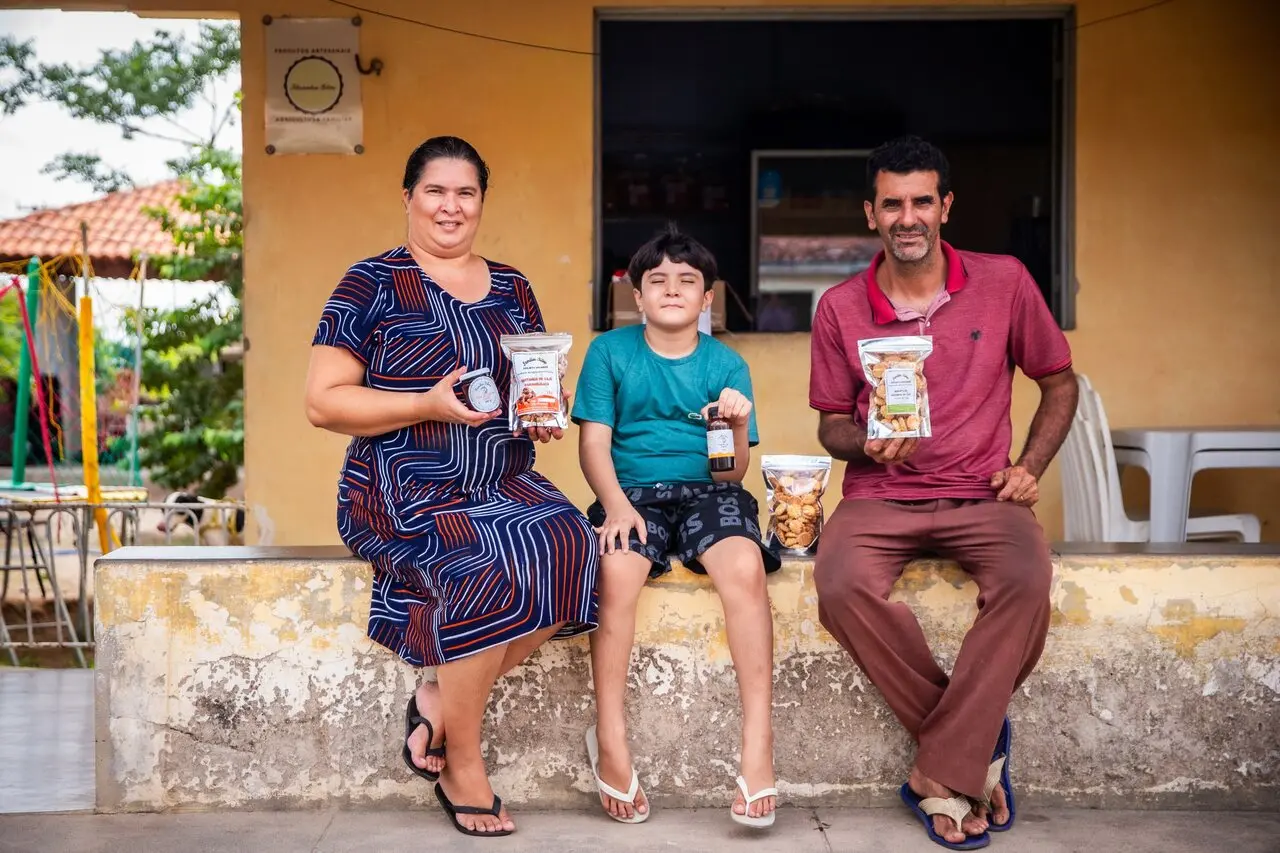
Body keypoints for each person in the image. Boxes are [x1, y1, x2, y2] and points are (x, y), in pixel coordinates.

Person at [304, 136, 600, 838]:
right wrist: (422, 403)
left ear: (480, 203)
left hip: (503, 477)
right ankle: (464, 762)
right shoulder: (368, 284)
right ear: (408, 197)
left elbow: (525, 382)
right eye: (436, 190)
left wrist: (542, 409)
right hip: (402, 486)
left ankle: (436, 698)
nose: (450, 205)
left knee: (572, 546)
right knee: (480, 562)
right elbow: (323, 402)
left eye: (465, 192)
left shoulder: (512, 287)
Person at [808, 136, 1077, 850]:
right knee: (838, 584)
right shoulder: (838, 305)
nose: (908, 216)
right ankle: (971, 748)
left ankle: (940, 772)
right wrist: (864, 440)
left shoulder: (1005, 281)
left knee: (1026, 576)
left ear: (945, 206)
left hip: (984, 491)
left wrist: (1031, 465)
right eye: (891, 203)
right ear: (870, 213)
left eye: (921, 200)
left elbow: (1059, 380)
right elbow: (831, 423)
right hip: (878, 495)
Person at [572, 225, 782, 828]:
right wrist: (613, 504)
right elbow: (593, 444)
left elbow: (733, 472)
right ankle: (610, 735)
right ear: (637, 296)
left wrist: (737, 425)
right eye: (656, 281)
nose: (671, 290)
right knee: (615, 572)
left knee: (743, 568)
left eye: (687, 281)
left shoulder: (727, 363)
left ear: (707, 298)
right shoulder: (610, 352)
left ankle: (758, 744)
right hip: (629, 494)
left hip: (707, 494)